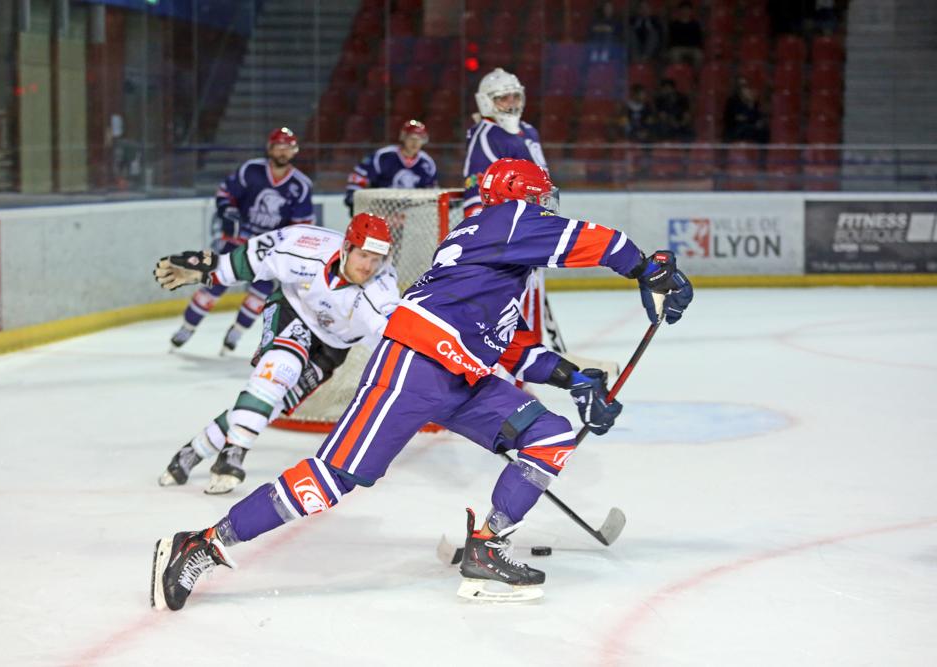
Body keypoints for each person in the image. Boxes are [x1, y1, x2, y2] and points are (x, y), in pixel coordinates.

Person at [150, 158, 694, 611]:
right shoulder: (506, 220)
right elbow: (595, 240)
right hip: (415, 365)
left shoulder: (498, 254)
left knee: (548, 435)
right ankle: (202, 543)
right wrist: (648, 267)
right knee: (334, 478)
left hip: (461, 375)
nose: (546, 207)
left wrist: (574, 378)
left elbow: (507, 344)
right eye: (540, 198)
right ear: (519, 197)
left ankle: (487, 547)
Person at [155, 214, 400, 495]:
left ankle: (193, 451)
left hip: (333, 348)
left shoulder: (382, 291)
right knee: (281, 369)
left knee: (270, 403)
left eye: (375, 259)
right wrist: (215, 270)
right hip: (291, 311)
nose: (368, 266)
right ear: (346, 248)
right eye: (363, 256)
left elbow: (395, 337)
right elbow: (253, 258)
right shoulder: (307, 245)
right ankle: (234, 453)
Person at [169, 127, 315, 355]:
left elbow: (301, 226)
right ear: (270, 148)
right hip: (239, 240)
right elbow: (225, 194)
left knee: (260, 295)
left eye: (288, 148)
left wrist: (289, 251)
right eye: (279, 146)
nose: (283, 152)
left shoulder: (301, 185)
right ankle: (187, 327)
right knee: (214, 284)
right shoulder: (251, 170)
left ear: (295, 151)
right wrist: (228, 211)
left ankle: (236, 333)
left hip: (269, 250)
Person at [462, 68, 560, 354]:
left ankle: (528, 367)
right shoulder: (486, 134)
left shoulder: (529, 131)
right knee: (508, 311)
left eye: (515, 96)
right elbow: (476, 190)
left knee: (531, 303)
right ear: (487, 102)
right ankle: (510, 368)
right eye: (503, 98)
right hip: (510, 237)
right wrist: (489, 237)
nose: (512, 103)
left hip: (535, 228)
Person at [343, 119, 439, 216]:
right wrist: (352, 197)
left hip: (409, 213)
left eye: (419, 139)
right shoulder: (384, 156)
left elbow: (430, 190)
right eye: (411, 138)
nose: (415, 143)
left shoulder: (427, 163)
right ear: (403, 138)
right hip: (379, 209)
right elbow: (360, 176)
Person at [723, 77, 770, 144]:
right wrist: (749, 118)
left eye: (747, 87)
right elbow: (737, 118)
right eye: (743, 87)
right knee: (749, 129)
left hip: (750, 128)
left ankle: (763, 150)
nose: (747, 90)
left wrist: (751, 104)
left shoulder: (753, 102)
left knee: (764, 131)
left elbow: (757, 117)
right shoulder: (732, 101)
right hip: (735, 129)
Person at [665, 1, 704, 67]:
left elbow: (699, 39)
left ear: (691, 11)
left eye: (687, 9)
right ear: (680, 11)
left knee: (699, 55)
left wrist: (696, 47)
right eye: (683, 9)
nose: (685, 11)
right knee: (675, 54)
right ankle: (678, 72)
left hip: (692, 48)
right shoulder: (674, 24)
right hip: (678, 48)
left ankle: (695, 73)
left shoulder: (695, 24)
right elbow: (671, 39)